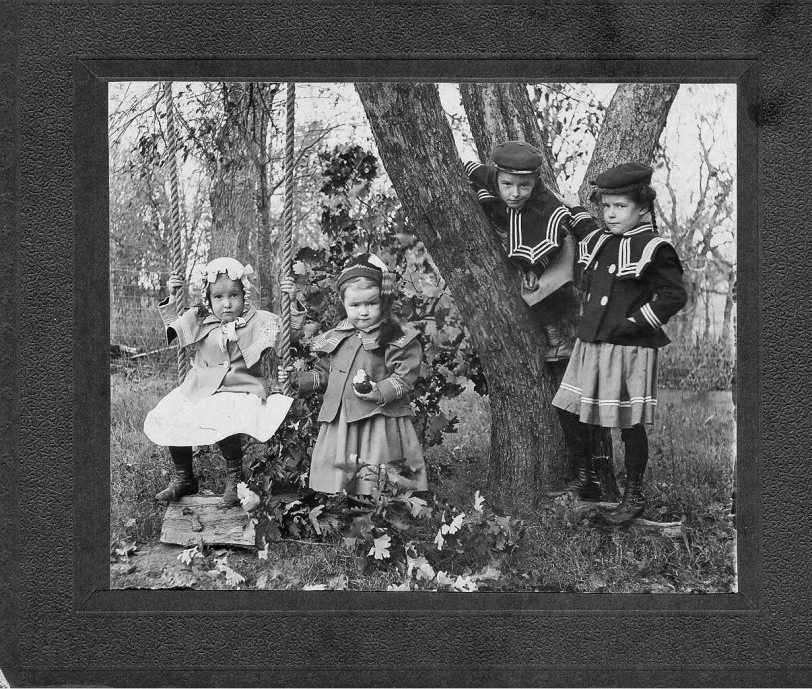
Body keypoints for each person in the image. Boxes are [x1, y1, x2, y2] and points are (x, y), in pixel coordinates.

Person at [551, 162, 688, 523]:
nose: (610, 214)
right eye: (606, 206)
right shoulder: (604, 240)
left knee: (629, 423)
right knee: (570, 407)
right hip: (592, 342)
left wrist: (635, 323)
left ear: (642, 207)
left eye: (620, 206)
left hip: (630, 348)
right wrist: (572, 205)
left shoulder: (655, 248)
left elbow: (673, 295)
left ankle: (634, 494)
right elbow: (583, 228)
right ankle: (587, 479)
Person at [144, 257, 304, 507]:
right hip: (200, 387)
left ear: (245, 295)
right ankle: (184, 477)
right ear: (208, 299)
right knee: (171, 413)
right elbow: (173, 324)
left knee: (225, 416)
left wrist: (292, 301)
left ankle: (234, 478)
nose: (227, 304)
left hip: (241, 388)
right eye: (218, 297)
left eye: (234, 295)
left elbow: (291, 336)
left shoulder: (259, 320)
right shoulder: (199, 317)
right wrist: (173, 294)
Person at [278, 253, 428, 497]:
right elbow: (325, 375)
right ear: (344, 303)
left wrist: (377, 390)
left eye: (371, 303)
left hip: (378, 417)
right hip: (342, 420)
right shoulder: (338, 336)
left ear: (384, 301)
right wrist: (297, 379)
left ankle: (379, 505)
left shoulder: (395, 337)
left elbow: (404, 376)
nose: (364, 312)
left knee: (377, 465)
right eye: (355, 305)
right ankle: (341, 499)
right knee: (341, 465)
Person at [465, 140, 596, 361]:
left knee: (535, 288)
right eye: (507, 184)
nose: (515, 193)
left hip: (552, 251)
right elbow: (469, 167)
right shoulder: (488, 179)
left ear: (534, 183)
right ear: (496, 178)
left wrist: (534, 268)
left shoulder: (544, 206)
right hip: (509, 237)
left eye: (524, 186)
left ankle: (557, 341)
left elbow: (547, 242)